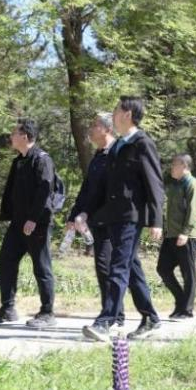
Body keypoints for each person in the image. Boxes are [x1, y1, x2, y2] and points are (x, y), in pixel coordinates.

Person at [81, 96, 166, 342]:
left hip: (131, 216)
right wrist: (86, 211)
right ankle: (150, 318)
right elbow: (104, 185)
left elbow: (154, 183)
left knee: (118, 266)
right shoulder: (118, 145)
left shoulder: (142, 143)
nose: (114, 114)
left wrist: (156, 220)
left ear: (127, 114)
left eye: (117, 110)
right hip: (113, 216)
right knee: (131, 267)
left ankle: (106, 322)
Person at [0, 119, 57, 329]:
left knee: (41, 267)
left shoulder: (42, 160)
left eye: (14, 133)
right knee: (5, 261)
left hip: (38, 224)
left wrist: (33, 219)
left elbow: (45, 191)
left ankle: (47, 312)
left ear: (24, 136)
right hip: (18, 224)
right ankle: (8, 308)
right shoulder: (19, 161)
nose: (11, 137)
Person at [69, 113, 123, 327]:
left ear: (107, 129)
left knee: (111, 266)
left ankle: (114, 316)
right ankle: (113, 314)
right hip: (98, 219)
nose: (90, 129)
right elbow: (88, 189)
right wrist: (75, 214)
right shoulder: (98, 155)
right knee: (103, 266)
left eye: (95, 125)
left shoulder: (117, 153)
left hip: (114, 219)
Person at [157, 153, 196, 319]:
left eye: (174, 164)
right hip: (171, 235)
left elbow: (193, 211)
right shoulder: (175, 185)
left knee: (188, 273)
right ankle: (181, 301)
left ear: (184, 166)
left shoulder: (192, 184)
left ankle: (186, 310)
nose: (171, 168)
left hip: (186, 236)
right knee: (163, 269)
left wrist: (185, 232)